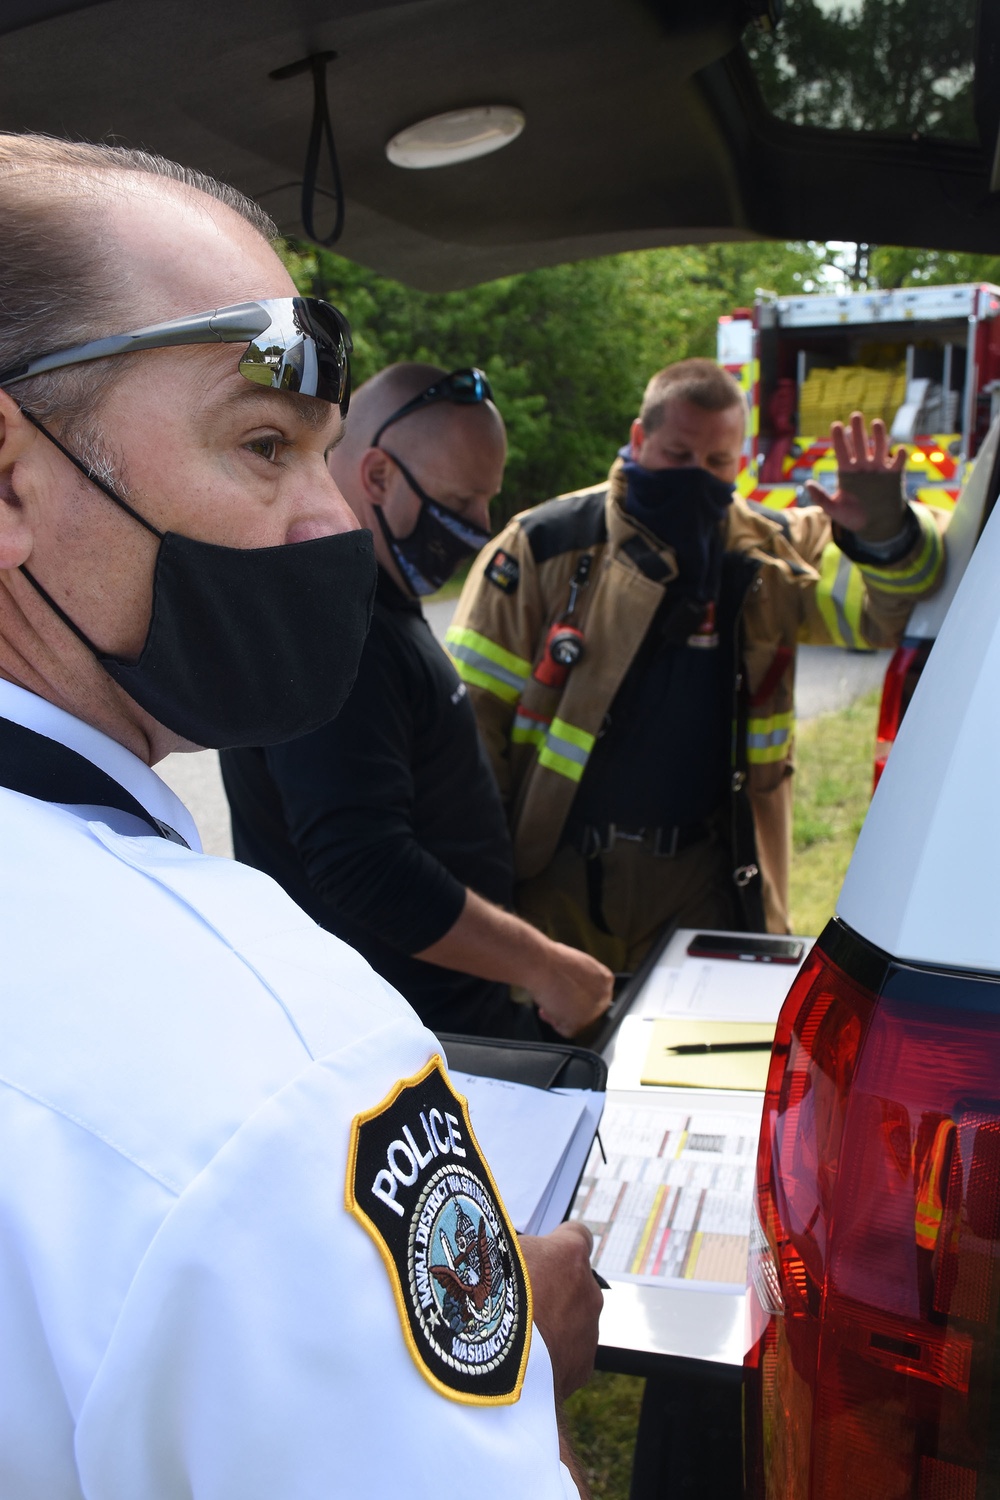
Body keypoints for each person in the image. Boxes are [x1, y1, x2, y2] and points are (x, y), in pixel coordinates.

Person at [0, 133, 600, 1499]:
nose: (333, 525)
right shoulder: (282, 1078)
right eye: (263, 443)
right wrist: (538, 1390)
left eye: (327, 455)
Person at [447, 358, 947, 966]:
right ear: (638, 438)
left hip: (708, 877)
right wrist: (481, 885)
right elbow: (470, 732)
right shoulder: (544, 546)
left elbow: (883, 614)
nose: (695, 479)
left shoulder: (770, 551)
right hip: (560, 875)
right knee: (563, 1045)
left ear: (738, 462)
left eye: (716, 465)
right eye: (678, 456)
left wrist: (886, 535)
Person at [221, 364, 613, 1040]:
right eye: (461, 503)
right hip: (397, 1045)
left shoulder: (371, 603)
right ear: (377, 476)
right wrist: (544, 967)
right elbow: (362, 864)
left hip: (439, 1024)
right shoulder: (334, 627)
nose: (480, 524)